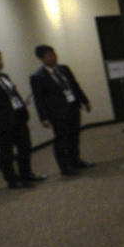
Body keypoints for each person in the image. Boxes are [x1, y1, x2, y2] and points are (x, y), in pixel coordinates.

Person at [0, 48, 45, 189]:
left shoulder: (4, 77)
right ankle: (12, 180)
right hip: (1, 123)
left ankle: (26, 174)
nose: (0, 62)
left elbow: (11, 95)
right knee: (6, 152)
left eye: (0, 59)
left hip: (17, 117)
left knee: (25, 147)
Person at [30, 45, 93, 175]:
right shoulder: (37, 77)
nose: (54, 58)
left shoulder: (64, 69)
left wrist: (85, 101)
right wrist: (43, 117)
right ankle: (64, 166)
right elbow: (39, 99)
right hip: (57, 112)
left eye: (54, 54)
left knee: (74, 135)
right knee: (62, 138)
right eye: (49, 56)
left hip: (72, 106)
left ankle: (75, 160)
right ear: (41, 58)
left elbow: (75, 85)